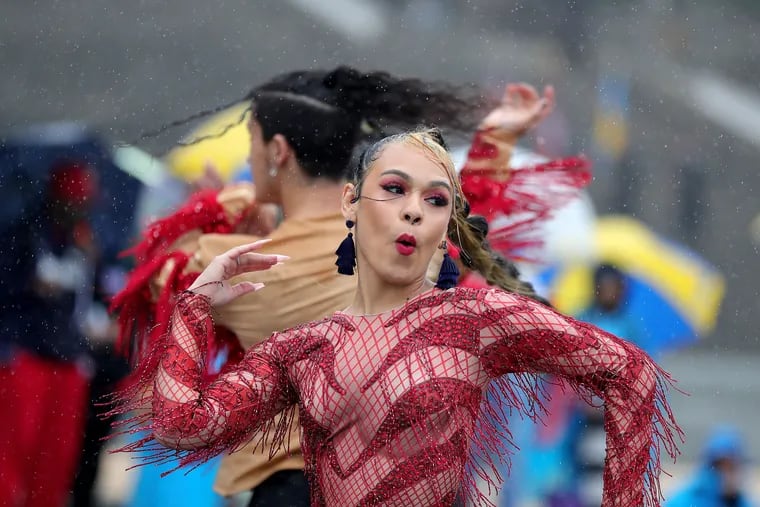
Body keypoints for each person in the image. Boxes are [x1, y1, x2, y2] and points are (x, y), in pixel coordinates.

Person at [112, 129, 680, 507]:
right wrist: (194, 309)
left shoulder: (475, 320)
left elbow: (630, 373)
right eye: (394, 188)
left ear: (445, 225)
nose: (414, 207)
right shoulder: (306, 347)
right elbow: (184, 425)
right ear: (350, 204)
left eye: (436, 200)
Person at [112, 67, 562, 505]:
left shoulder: (232, 261)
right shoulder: (409, 242)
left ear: (279, 152)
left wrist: (217, 209)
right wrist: (497, 140)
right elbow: (469, 218)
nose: (248, 159)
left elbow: (157, 282)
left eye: (252, 142)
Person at [0, 160, 98, 507]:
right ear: (56, 196)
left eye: (85, 199)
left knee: (56, 463)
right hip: (26, 357)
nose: (80, 207)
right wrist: (31, 280)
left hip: (68, 362)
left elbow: (87, 304)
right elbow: (9, 291)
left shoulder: (83, 240)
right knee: (12, 457)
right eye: (74, 198)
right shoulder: (23, 232)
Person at [665, 425, 756, 507]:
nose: (728, 475)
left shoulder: (745, 503)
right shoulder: (683, 502)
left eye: (732, 468)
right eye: (721, 467)